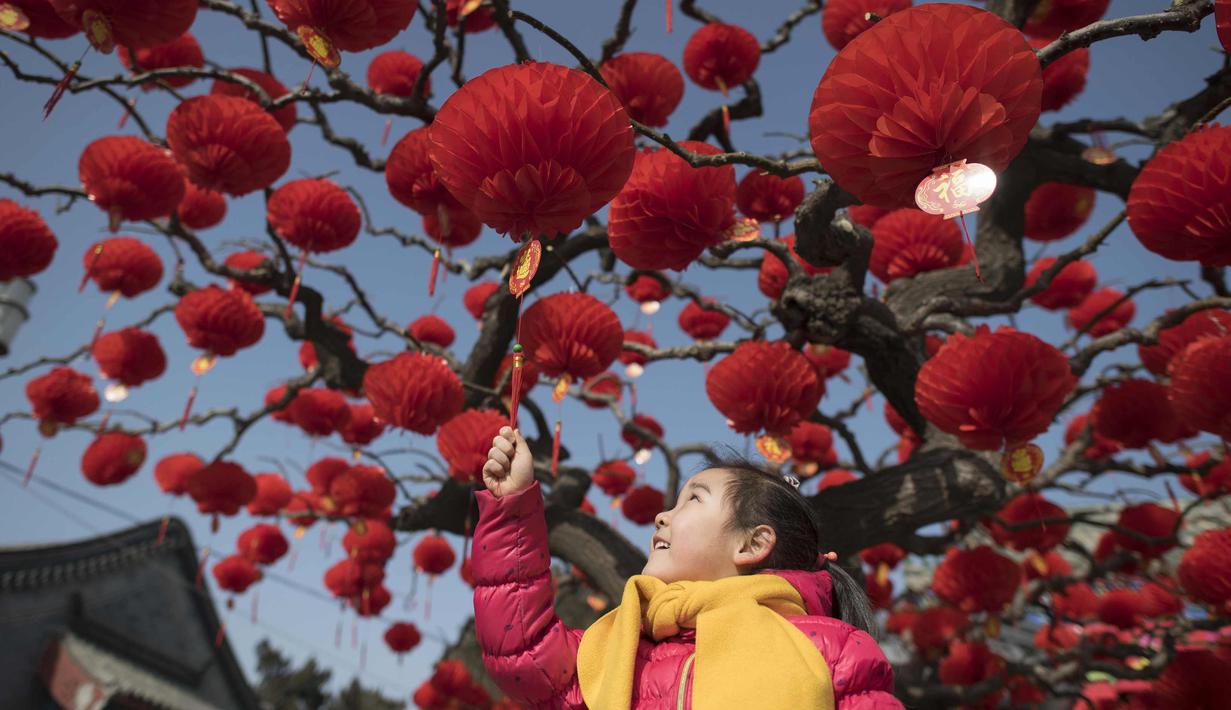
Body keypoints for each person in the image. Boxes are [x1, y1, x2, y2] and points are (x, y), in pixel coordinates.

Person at [471, 426, 903, 709]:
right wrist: (512, 508)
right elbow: (523, 653)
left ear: (752, 543)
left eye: (693, 499)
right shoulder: (622, 649)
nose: (662, 516)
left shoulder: (833, 648)